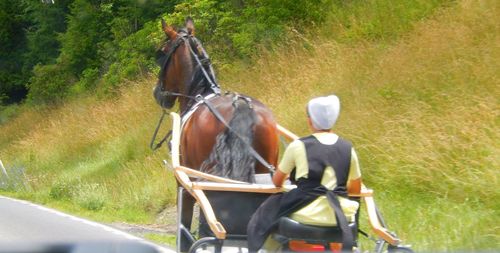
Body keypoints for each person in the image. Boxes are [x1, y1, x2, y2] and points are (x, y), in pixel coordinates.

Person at [247, 95, 362, 252]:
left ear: (310, 121)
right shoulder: (348, 149)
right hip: (341, 214)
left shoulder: (298, 146)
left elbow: (277, 182)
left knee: (263, 218)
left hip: (307, 212)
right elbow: (355, 189)